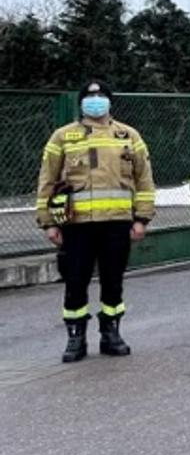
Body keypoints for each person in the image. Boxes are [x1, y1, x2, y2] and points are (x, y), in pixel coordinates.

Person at [35, 80, 155, 363]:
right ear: (81, 104)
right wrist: (48, 222)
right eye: (90, 97)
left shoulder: (129, 135)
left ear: (110, 102)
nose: (96, 101)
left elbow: (145, 180)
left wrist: (142, 219)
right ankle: (76, 338)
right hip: (76, 225)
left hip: (117, 223)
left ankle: (111, 334)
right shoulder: (62, 137)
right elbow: (47, 181)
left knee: (113, 281)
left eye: (101, 96)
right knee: (75, 282)